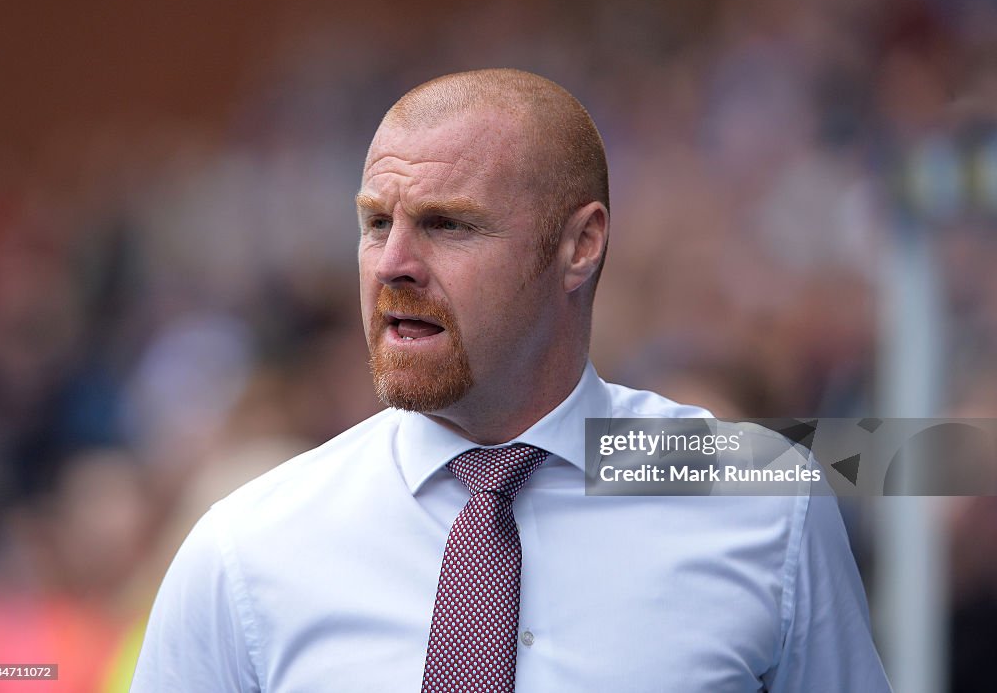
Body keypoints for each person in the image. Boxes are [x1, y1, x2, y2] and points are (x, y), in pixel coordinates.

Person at [131, 69, 891, 691]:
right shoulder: (245, 549)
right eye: (374, 224)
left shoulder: (759, 500)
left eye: (447, 224)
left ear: (581, 246)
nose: (392, 262)